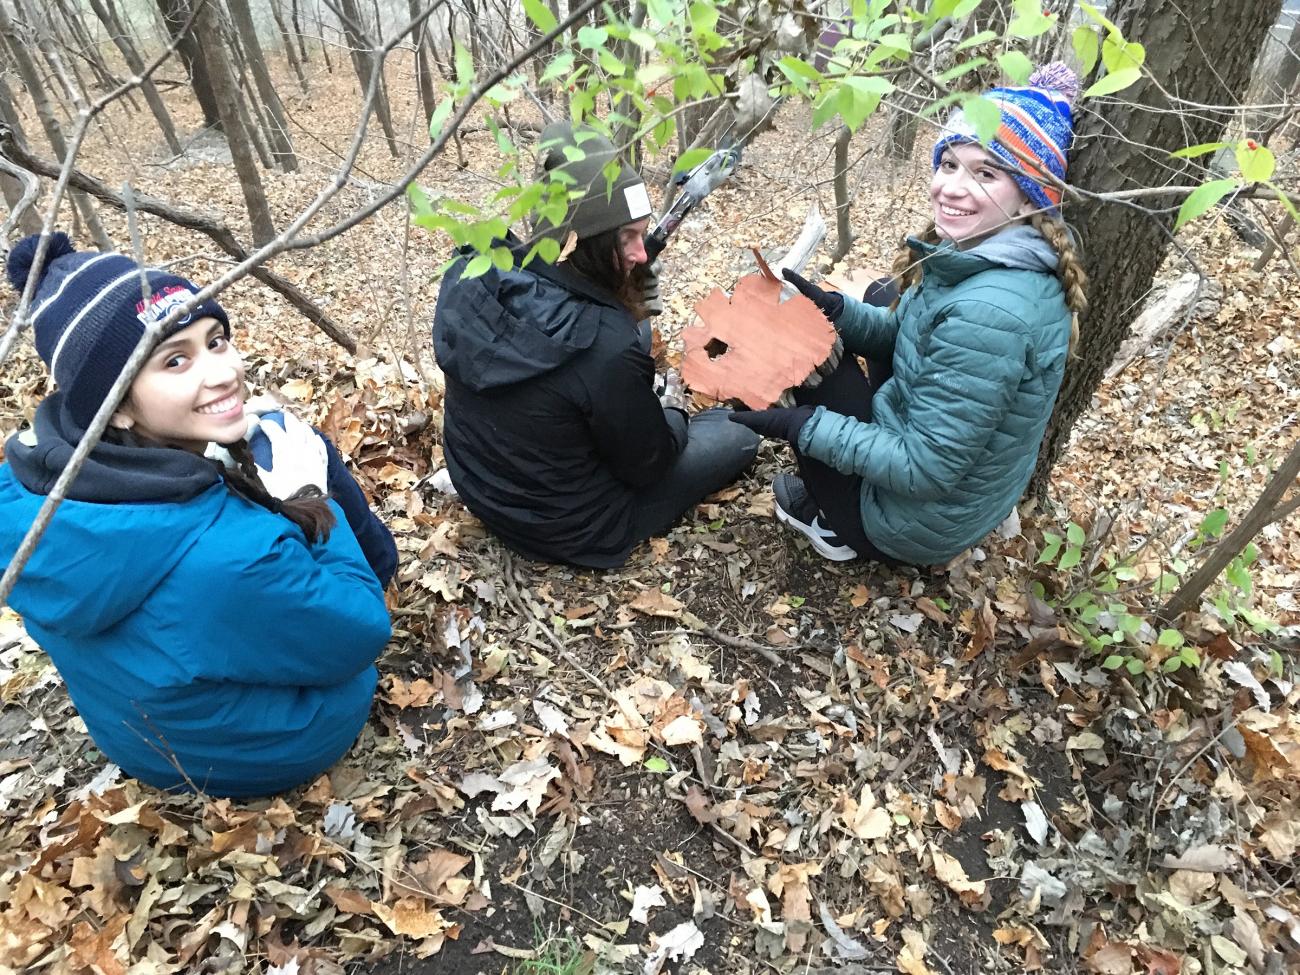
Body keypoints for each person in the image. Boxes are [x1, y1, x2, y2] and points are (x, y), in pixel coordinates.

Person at [0, 232, 395, 798]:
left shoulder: (22, 486)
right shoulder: (233, 554)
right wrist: (309, 491)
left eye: (216, 341)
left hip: (136, 736)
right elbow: (362, 631)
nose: (222, 372)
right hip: (269, 748)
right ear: (113, 407)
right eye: (175, 359)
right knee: (310, 461)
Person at [731, 64, 1089, 566]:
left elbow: (925, 469)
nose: (952, 188)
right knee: (876, 299)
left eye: (985, 173)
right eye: (949, 165)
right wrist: (838, 311)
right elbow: (908, 337)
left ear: (1029, 195)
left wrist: (803, 427)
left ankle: (837, 524)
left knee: (806, 364)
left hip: (910, 523)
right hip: (951, 499)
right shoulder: (997, 257)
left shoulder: (989, 314)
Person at [433, 123, 760, 568]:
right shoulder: (605, 348)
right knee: (738, 431)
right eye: (626, 238)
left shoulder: (479, 268)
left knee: (634, 340)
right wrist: (673, 409)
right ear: (583, 241)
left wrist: (621, 311)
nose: (642, 254)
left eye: (642, 235)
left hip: (483, 487)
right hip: (572, 529)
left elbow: (581, 346)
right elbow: (649, 464)